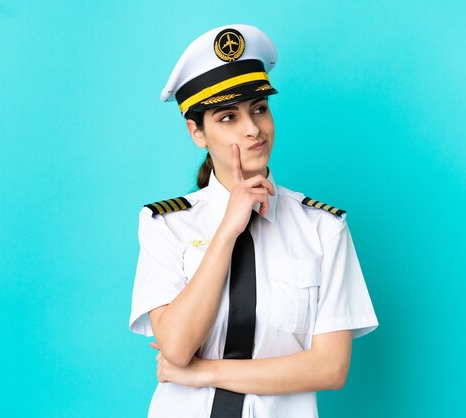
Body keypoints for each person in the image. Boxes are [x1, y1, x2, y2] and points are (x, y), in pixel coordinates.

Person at [129, 24, 378, 418]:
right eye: (228, 117)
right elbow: (175, 345)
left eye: (259, 108)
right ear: (197, 131)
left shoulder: (323, 228)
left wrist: (203, 373)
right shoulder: (166, 225)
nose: (252, 129)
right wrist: (228, 230)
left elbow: (330, 368)